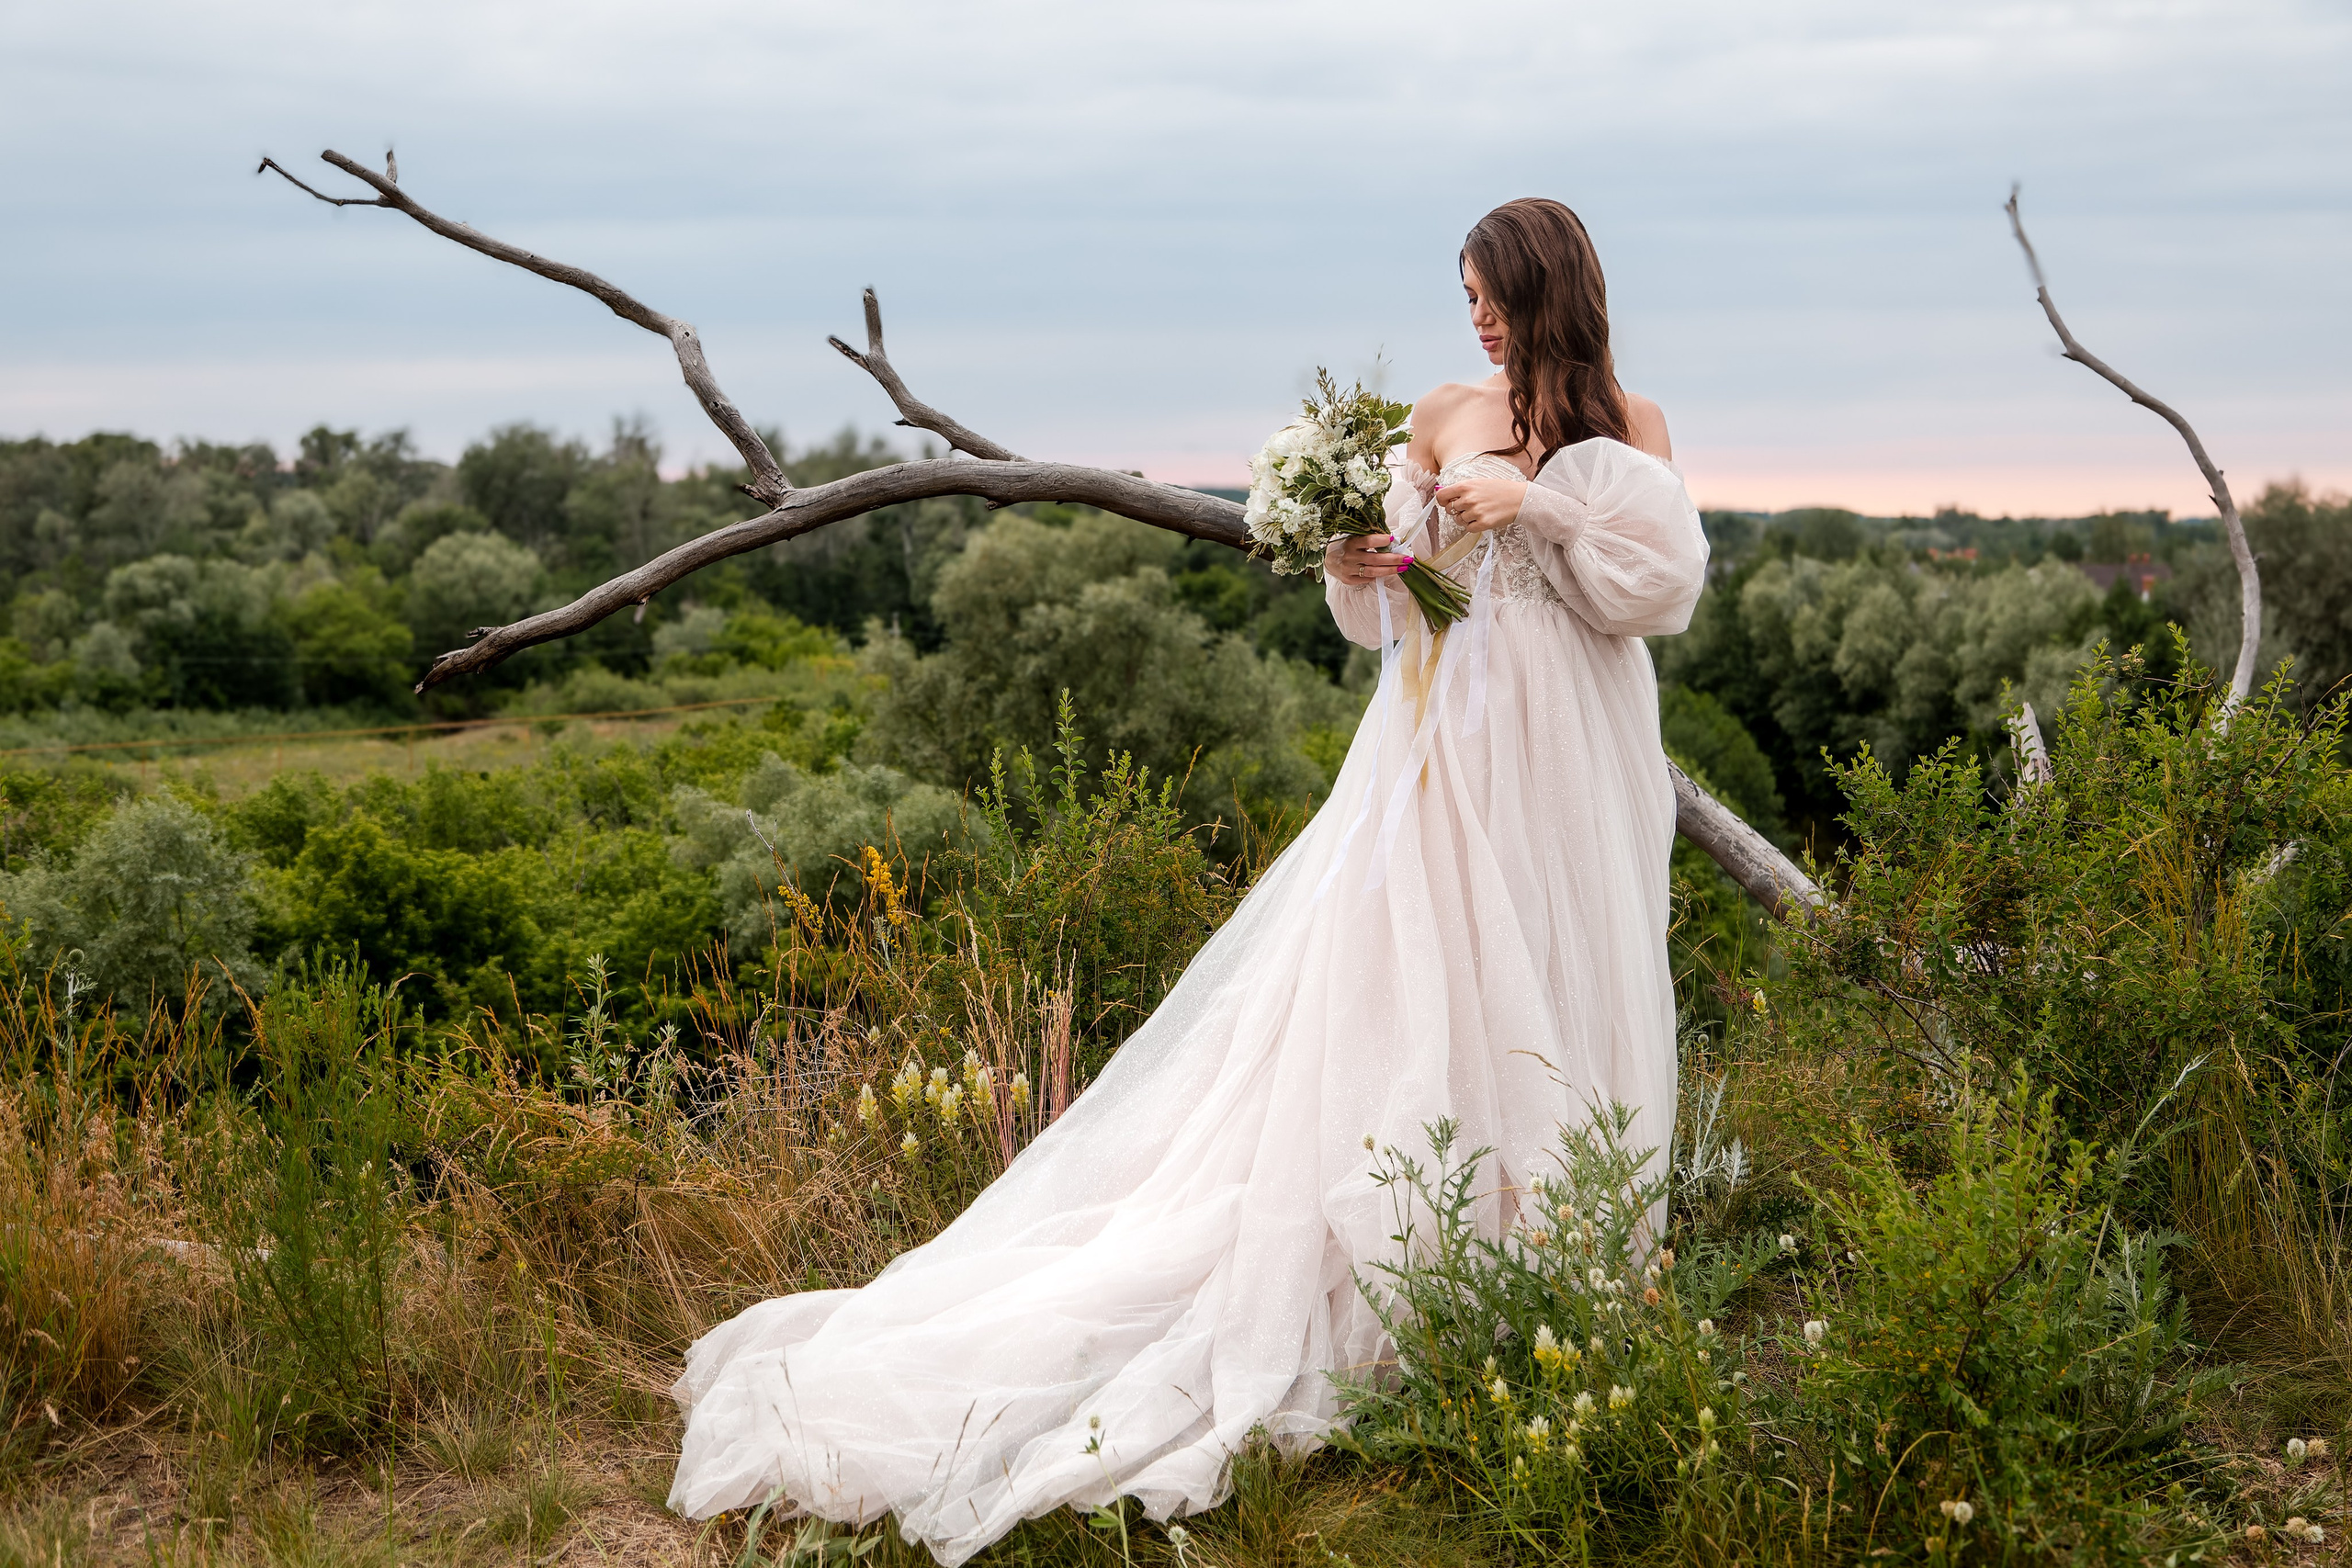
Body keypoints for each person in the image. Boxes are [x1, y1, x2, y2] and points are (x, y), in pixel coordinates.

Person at [666, 197, 1708, 1566]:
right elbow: (1392, 604)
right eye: (1464, 296)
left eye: (1492, 296)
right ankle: (1431, 1277)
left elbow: (1653, 590)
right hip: (1444, 749)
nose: (1476, 321)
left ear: (1547, 287)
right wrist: (1360, 558)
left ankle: (1562, 1272)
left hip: (1573, 750)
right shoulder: (1444, 413)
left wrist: (1541, 506)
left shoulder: (1635, 424)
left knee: (1571, 978)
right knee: (1430, 986)